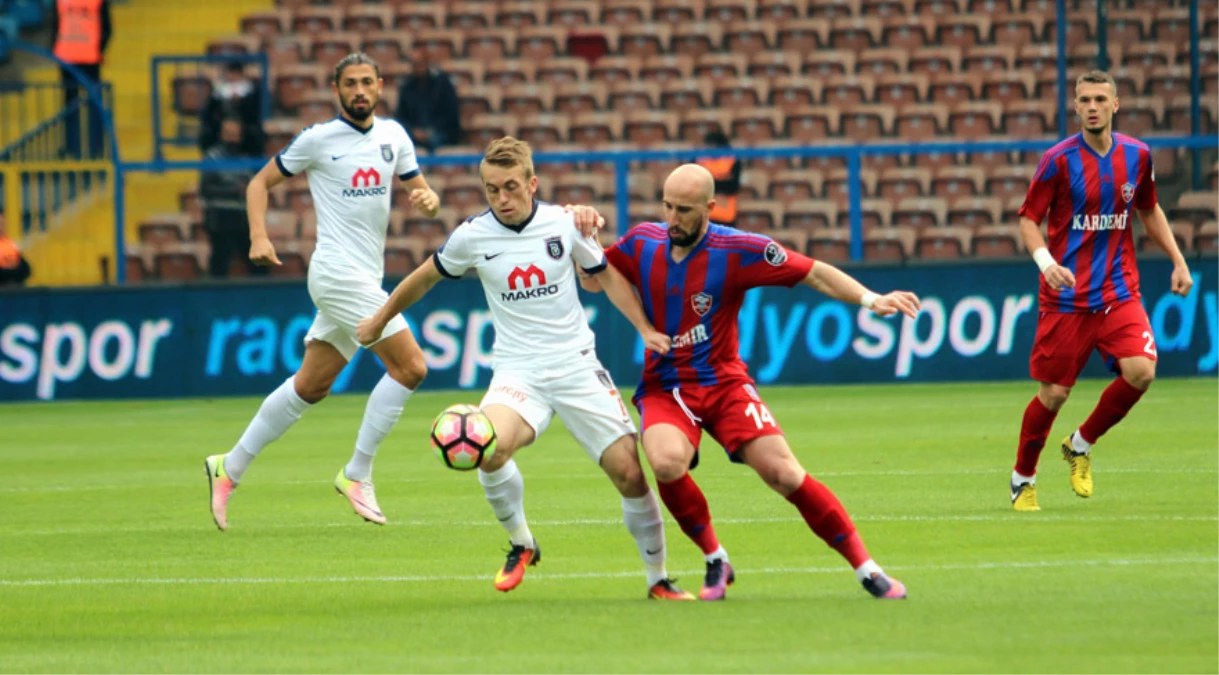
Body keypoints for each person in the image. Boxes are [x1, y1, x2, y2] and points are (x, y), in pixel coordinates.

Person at [356, 137, 695, 601]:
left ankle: (658, 579)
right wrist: (379, 319)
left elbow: (606, 276)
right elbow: (425, 277)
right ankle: (522, 543)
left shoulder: (563, 224)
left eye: (511, 187)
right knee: (485, 447)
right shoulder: (473, 236)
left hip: (576, 367)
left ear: (532, 184)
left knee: (630, 473)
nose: (502, 198)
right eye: (492, 190)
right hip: (518, 374)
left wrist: (643, 328)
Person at [581, 164, 920, 601]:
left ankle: (868, 569)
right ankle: (715, 558)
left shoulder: (738, 250)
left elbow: (814, 271)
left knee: (784, 474)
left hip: (723, 383)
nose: (673, 219)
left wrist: (871, 299)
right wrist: (581, 237)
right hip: (666, 385)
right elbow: (595, 279)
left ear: (710, 208)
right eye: (667, 206)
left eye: (684, 210)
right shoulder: (644, 241)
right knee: (665, 462)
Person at [203, 53, 442, 531]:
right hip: (334, 273)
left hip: (363, 277)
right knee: (412, 366)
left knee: (311, 386)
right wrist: (258, 235)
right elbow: (259, 182)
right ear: (336, 89)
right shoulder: (317, 139)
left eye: (366, 83)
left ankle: (229, 466)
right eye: (350, 83)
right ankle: (357, 474)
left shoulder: (394, 137)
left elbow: (422, 192)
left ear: (380, 85)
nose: (359, 91)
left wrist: (429, 200)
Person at [1010, 70, 1193, 512]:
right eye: (1083, 99)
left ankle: (1080, 444)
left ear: (1115, 105)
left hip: (1117, 292)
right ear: (1075, 106)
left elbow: (1148, 210)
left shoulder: (1137, 156)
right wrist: (1046, 263)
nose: (1091, 106)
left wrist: (1178, 259)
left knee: (1142, 372)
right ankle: (1023, 479)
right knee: (1053, 394)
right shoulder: (1057, 160)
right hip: (1066, 298)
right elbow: (1028, 219)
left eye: (1099, 99)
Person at [200, 118, 265, 278]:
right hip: (220, 218)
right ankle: (215, 297)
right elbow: (205, 189)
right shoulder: (212, 157)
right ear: (221, 135)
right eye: (229, 134)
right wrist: (234, 190)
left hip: (242, 217)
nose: (232, 138)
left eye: (236, 134)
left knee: (256, 261)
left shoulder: (245, 158)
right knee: (220, 262)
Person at [51, 0, 112, 160]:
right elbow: (56, 26)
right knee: (76, 107)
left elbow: (107, 29)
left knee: (85, 106)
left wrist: (97, 49)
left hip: (82, 58)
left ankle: (92, 149)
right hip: (72, 58)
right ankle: (77, 148)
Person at [393, 45, 462, 153]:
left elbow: (451, 115)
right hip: (415, 134)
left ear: (428, 62)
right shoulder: (407, 88)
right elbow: (401, 117)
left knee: (434, 140)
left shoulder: (442, 84)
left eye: (421, 63)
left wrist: (429, 132)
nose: (419, 67)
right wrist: (414, 131)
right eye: (415, 64)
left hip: (440, 132)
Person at [199, 61, 265, 158]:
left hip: (245, 128)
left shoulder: (252, 91)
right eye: (231, 73)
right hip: (220, 126)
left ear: (241, 74)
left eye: (236, 74)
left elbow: (255, 114)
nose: (234, 77)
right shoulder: (216, 93)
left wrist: (241, 102)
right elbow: (208, 115)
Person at [695, 130, 740, 227]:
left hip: (726, 215)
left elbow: (733, 187)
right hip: (704, 217)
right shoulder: (698, 160)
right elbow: (695, 185)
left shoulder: (732, 161)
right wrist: (722, 182)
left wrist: (709, 183)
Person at [0, 213, 32, 287]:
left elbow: (26, 269)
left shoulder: (10, 245)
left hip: (13, 287)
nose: (1, 227)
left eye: (2, 224)